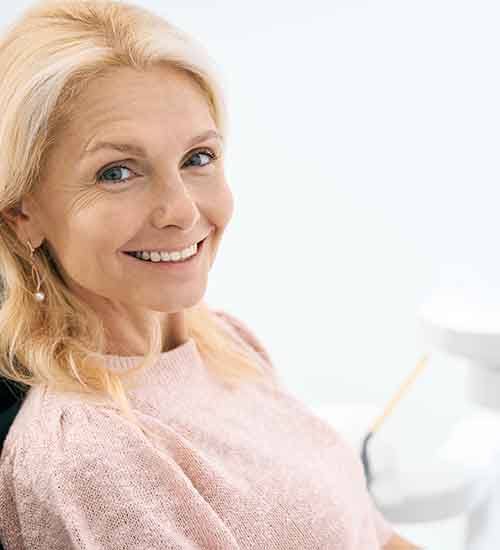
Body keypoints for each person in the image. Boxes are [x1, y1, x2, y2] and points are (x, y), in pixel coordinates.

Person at [0, 0, 419, 548]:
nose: (181, 210)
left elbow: (371, 534)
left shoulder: (225, 342)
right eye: (117, 172)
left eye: (198, 158)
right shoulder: (89, 453)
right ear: (22, 213)